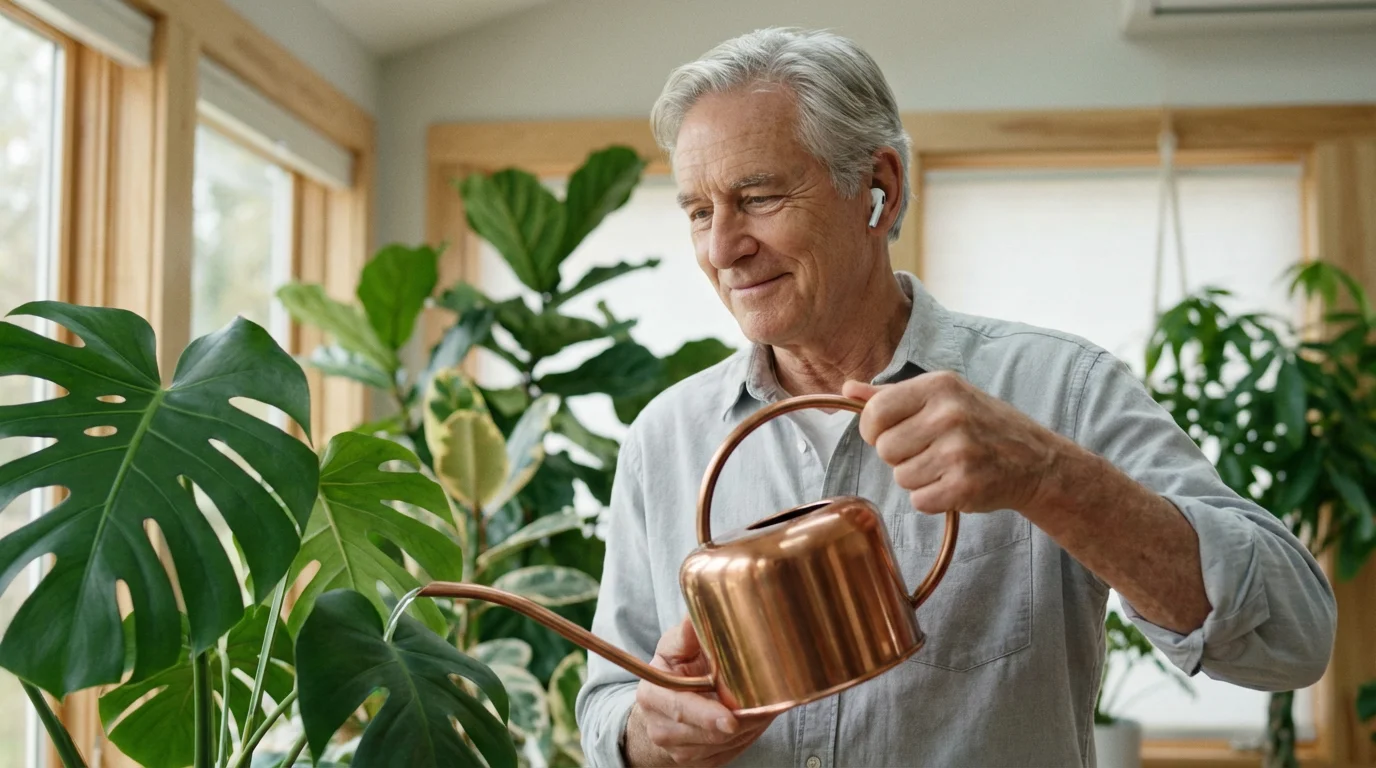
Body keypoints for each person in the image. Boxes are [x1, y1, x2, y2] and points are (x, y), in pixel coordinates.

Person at [573, 27, 1336, 768]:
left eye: (759, 196)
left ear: (879, 188)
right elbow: (610, 704)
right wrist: (650, 737)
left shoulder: (1059, 390)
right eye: (700, 212)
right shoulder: (663, 437)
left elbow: (1292, 640)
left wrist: (1050, 478)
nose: (719, 248)